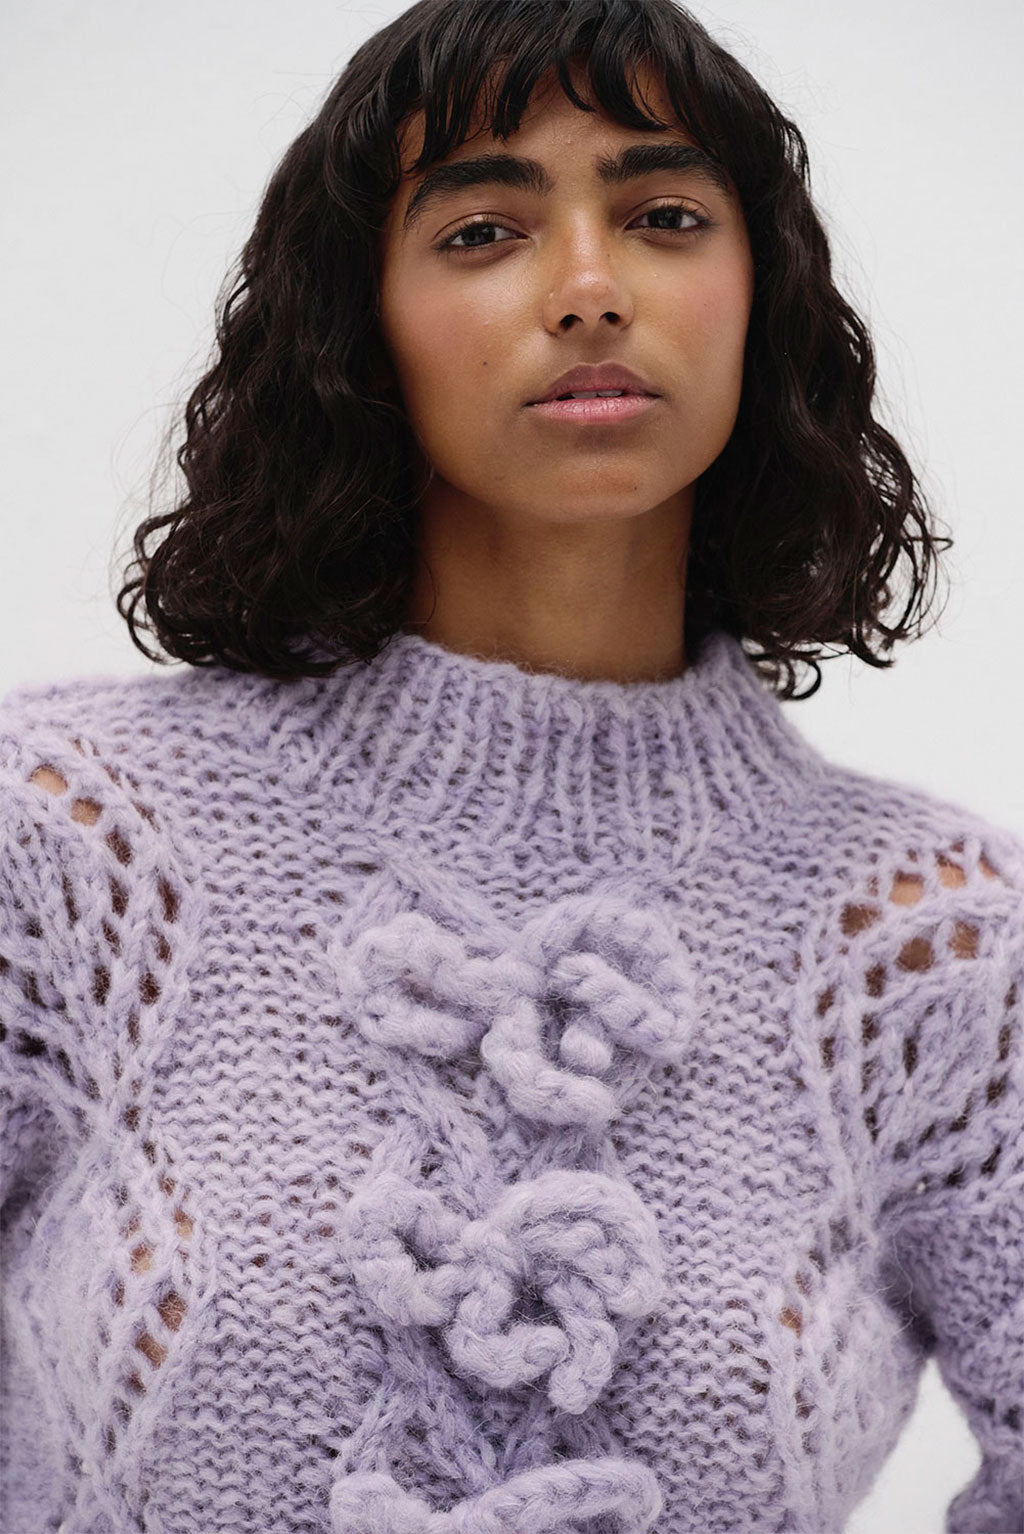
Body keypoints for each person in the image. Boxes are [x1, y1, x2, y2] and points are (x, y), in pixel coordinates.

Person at [1, 0, 1021, 1530]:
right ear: (359, 322)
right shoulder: (72, 843)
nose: (592, 287)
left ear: (761, 297)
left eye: (665, 216)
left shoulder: (931, 944)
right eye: (483, 230)